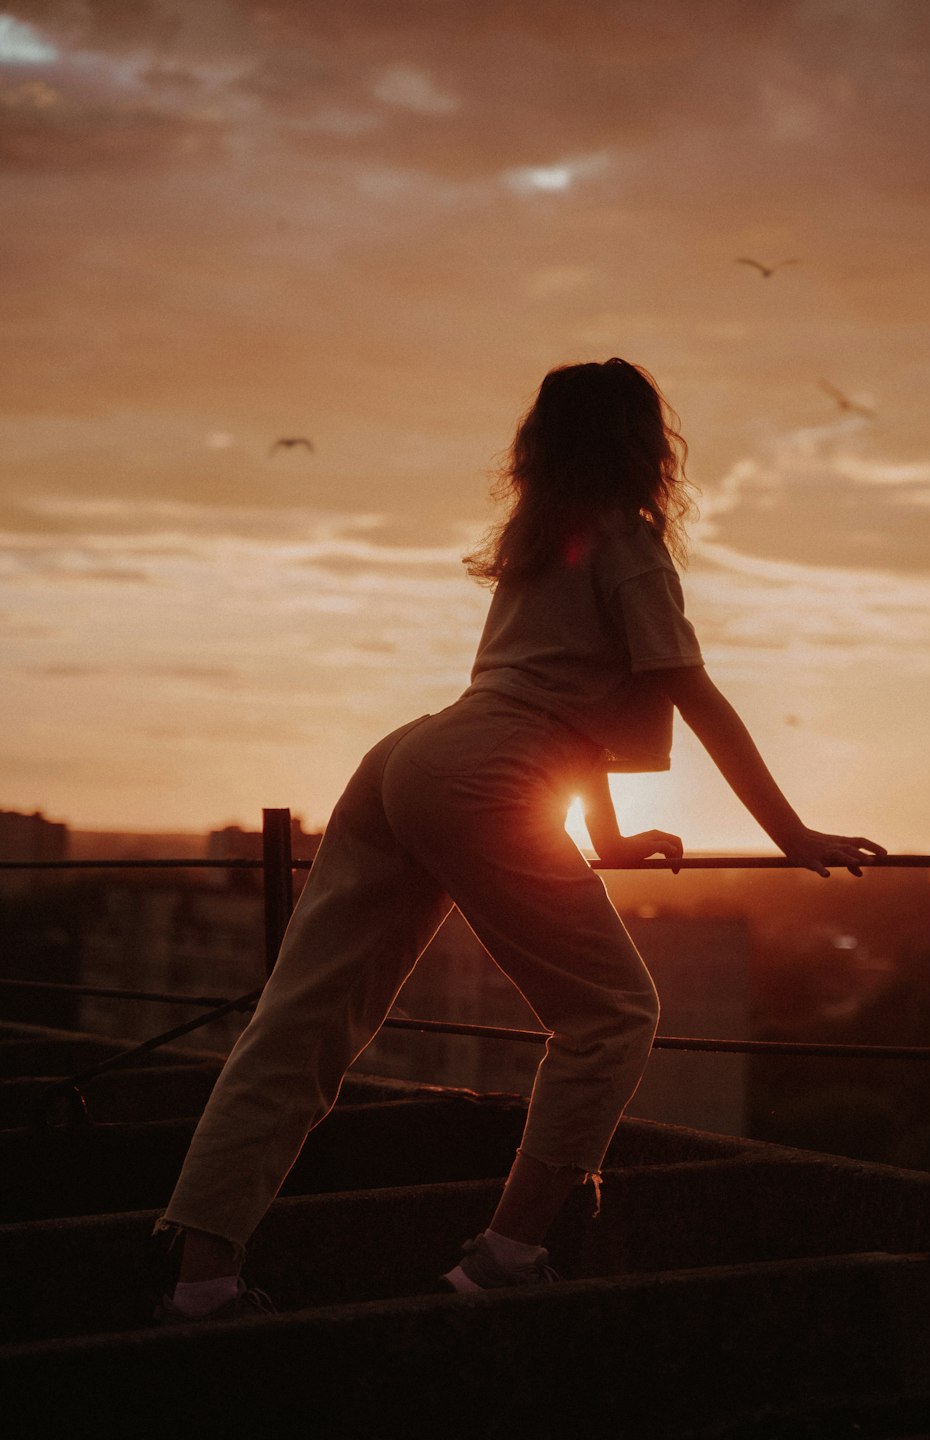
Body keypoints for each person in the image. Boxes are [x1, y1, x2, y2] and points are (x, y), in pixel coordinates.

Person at [153, 358, 885, 1320]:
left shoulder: (546, 542)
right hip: (489, 771)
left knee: (300, 1026)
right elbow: (683, 693)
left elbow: (564, 705)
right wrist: (791, 832)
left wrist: (610, 837)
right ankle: (504, 1258)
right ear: (645, 445)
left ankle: (202, 1283)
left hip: (410, 759)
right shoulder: (628, 544)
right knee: (613, 1014)